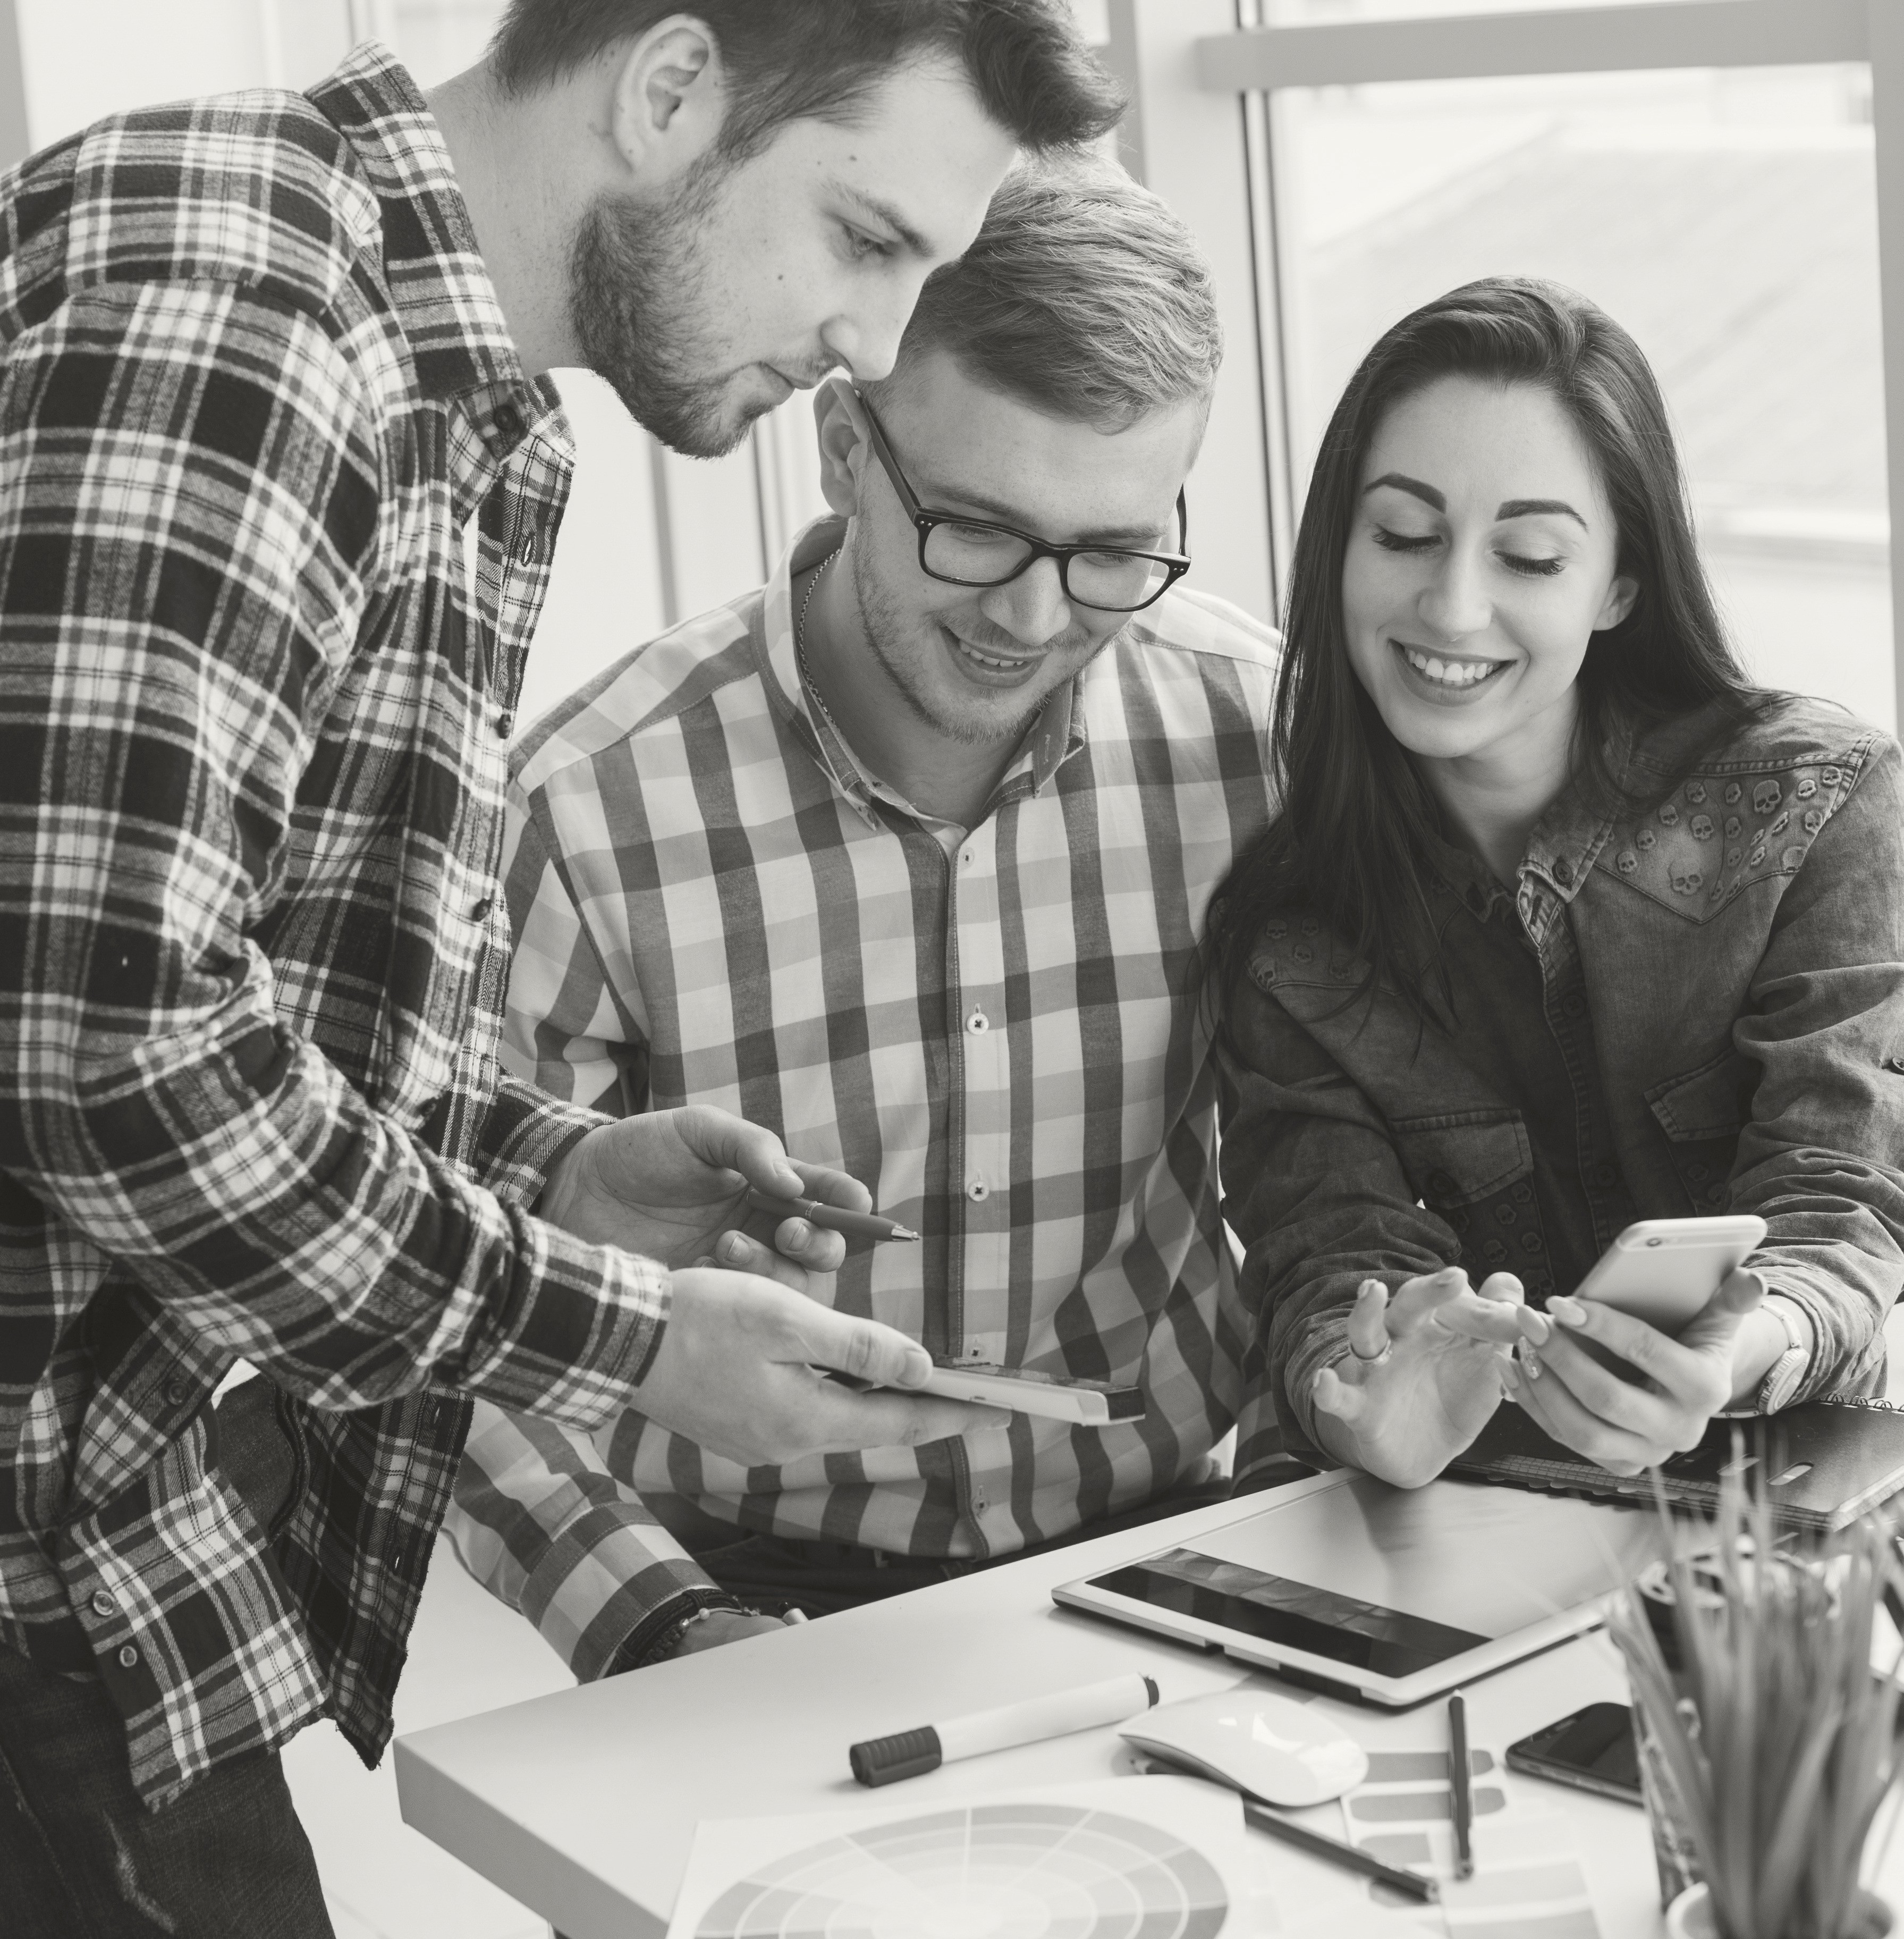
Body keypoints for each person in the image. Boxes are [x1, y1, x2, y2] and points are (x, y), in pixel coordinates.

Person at [0, 3, 1121, 1930]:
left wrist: (552, 1170)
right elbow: (111, 1053)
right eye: (866, 239)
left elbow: (233, 977)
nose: (873, 341)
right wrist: (624, 1334)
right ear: (670, 90)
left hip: (115, 1555)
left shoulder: (460, 395)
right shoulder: (250, 318)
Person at [445, 156, 1285, 1675]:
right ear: (843, 447)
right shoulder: (579, 810)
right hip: (724, 1588)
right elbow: (462, 1317)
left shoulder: (1262, 739)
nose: (1033, 618)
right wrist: (666, 1629)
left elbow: (1337, 1161)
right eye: (973, 529)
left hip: (1168, 1562)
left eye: (1109, 555)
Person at [1209, 276, 1904, 1493]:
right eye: (1404, 536)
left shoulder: (1815, 802)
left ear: (1618, 586)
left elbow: (1843, 1195)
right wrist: (1359, 1398)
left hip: (1791, 1528)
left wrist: (1738, 1345)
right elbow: (1328, 1256)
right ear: (1337, 551)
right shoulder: (1291, 929)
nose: (1452, 605)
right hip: (1451, 1540)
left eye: (1529, 556)